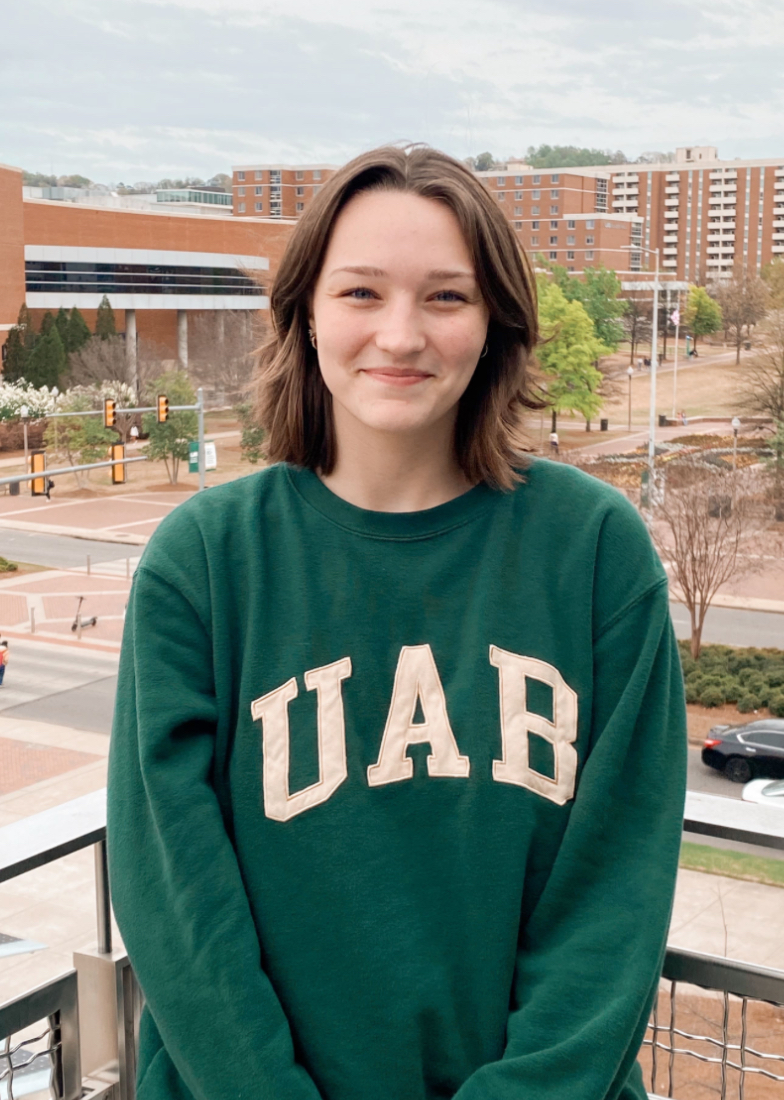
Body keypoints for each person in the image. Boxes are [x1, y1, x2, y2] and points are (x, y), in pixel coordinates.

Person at [107, 145, 686, 1100]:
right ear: (304, 314)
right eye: (361, 293)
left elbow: (615, 896)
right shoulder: (204, 562)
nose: (401, 335)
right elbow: (176, 907)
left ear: (496, 320)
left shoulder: (592, 551)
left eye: (446, 297)